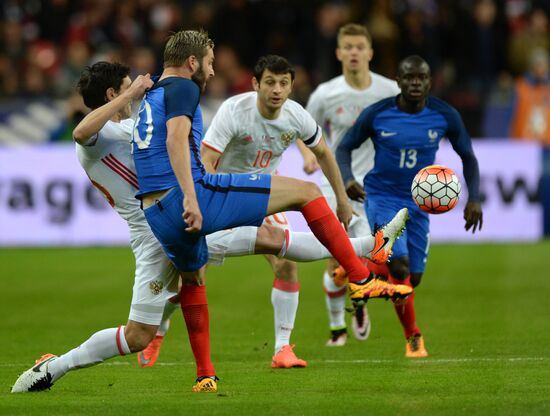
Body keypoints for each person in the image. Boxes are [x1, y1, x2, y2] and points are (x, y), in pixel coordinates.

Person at [10, 61, 408, 394]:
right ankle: (56, 367)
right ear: (115, 92)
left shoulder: (134, 126)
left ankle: (366, 248)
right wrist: (134, 96)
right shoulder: (94, 141)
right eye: (130, 87)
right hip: (153, 236)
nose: (140, 91)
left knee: (272, 239)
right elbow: (81, 131)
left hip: (180, 220)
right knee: (137, 337)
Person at [131, 29, 411, 381]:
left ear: (292, 86)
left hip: (252, 195)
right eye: (270, 83)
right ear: (255, 84)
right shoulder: (232, 109)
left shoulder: (295, 115)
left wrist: (341, 199)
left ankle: (282, 348)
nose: (276, 90)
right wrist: (197, 199)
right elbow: (205, 159)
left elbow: (324, 152)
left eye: (283, 83)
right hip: (221, 192)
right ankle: (158, 331)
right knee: (190, 275)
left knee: (284, 261)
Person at [336, 55, 483, 358]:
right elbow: (343, 147)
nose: (415, 82)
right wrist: (348, 178)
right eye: (409, 77)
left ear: (430, 81)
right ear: (399, 81)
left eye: (422, 77)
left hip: (419, 202)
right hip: (382, 197)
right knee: (399, 267)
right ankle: (413, 337)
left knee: (412, 278)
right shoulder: (378, 114)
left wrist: (475, 197)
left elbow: (468, 155)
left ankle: (358, 270)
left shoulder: (444, 115)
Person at [303, 23, 401, 347]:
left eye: (360, 46)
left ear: (370, 52)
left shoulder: (389, 91)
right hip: (336, 186)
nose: (354, 52)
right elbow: (303, 128)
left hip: (377, 187)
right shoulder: (326, 94)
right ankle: (337, 327)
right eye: (348, 47)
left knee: (371, 258)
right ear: (339, 53)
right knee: (337, 260)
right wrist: (308, 155)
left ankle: (357, 303)